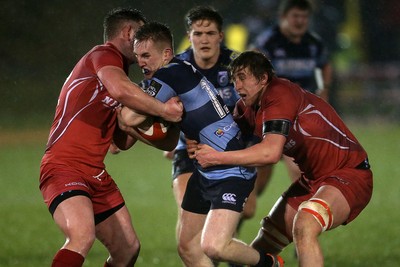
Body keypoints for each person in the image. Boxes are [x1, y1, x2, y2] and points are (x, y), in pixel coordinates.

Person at [118, 22, 283, 267]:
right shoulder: (181, 68)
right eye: (138, 56)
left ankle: (269, 264)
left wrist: (135, 106)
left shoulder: (169, 74)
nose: (140, 62)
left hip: (229, 169)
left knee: (214, 246)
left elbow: (129, 117)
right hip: (205, 169)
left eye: (146, 56)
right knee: (188, 247)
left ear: (165, 54)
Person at [194, 50, 373, 267]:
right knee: (260, 252)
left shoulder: (280, 93)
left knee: (305, 224)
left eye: (242, 78)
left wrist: (216, 158)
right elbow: (227, 137)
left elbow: (270, 153)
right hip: (312, 180)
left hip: (349, 173)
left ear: (263, 79)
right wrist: (189, 132)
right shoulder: (247, 107)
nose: (237, 86)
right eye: (234, 80)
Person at [39, 8, 183, 267]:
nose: (141, 52)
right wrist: (162, 109)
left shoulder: (122, 81)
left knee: (127, 249)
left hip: (94, 173)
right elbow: (119, 89)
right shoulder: (103, 55)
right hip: (64, 166)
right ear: (128, 32)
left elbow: (123, 142)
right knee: (82, 236)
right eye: (139, 39)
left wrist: (150, 124)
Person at [160, 5, 259, 245]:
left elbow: (255, 108)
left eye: (210, 33)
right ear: (189, 36)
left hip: (233, 150)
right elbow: (162, 109)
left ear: (220, 36)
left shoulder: (238, 65)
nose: (204, 39)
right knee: (191, 215)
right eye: (198, 34)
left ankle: (229, 244)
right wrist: (172, 136)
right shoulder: (176, 67)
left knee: (246, 210)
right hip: (190, 151)